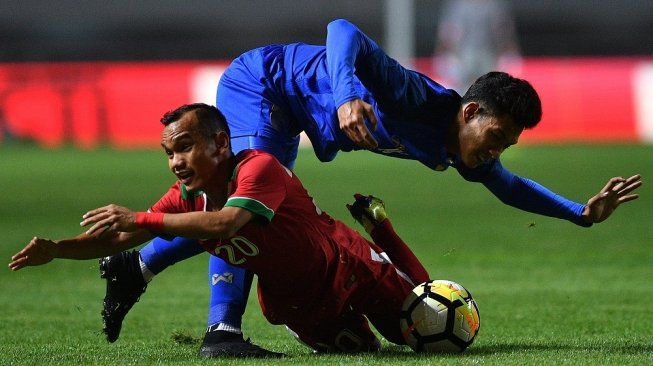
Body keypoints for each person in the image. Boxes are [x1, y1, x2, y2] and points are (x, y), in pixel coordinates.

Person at [98, 18, 643, 357]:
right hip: (261, 82)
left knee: (255, 213)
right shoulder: (419, 99)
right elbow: (341, 30)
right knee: (246, 207)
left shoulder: (462, 147)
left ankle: (143, 271)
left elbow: (507, 187)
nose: (495, 151)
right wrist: (347, 93)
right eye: (496, 136)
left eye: (506, 144)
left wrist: (580, 212)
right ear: (471, 111)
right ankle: (216, 328)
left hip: (288, 117)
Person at [9, 103, 431, 354]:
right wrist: (59, 249)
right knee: (367, 352)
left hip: (347, 266)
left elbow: (228, 222)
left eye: (185, 147)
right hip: (296, 304)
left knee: (425, 330)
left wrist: (142, 217)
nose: (175, 162)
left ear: (221, 143)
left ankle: (382, 230)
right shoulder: (184, 196)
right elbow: (121, 238)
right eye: (169, 152)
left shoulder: (258, 168)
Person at [434, 0, 521, 94]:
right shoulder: (458, 5)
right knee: (464, 86)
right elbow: (450, 31)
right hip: (464, 55)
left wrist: (506, 50)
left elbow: (502, 30)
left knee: (489, 86)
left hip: (489, 53)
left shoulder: (495, 5)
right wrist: (447, 52)